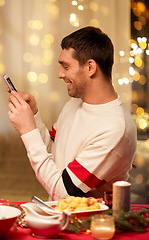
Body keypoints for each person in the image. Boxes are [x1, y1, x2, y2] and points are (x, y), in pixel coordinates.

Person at [7, 26, 137, 200]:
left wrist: (28, 131)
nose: (59, 74)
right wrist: (34, 116)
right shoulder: (74, 104)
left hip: (91, 224)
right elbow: (53, 154)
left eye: (66, 67)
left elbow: (64, 193)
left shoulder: (115, 129)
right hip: (61, 218)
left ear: (90, 67)